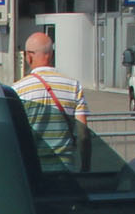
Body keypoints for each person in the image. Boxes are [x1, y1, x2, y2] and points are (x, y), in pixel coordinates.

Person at [11, 31, 90, 169]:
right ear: (51, 55)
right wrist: (85, 166)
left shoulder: (18, 90)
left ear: (29, 56)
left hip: (33, 170)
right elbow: (83, 135)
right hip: (65, 169)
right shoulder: (73, 86)